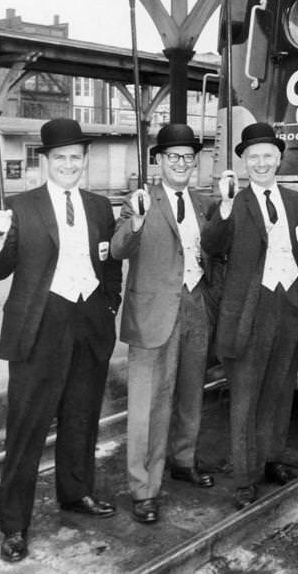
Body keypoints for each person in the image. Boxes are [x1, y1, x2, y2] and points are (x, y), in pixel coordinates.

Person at [0, 118, 122, 563]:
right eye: (59, 158)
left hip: (88, 321)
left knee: (82, 416)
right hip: (39, 327)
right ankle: (14, 525)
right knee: (27, 428)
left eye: (75, 158)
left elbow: (111, 263)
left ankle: (75, 493)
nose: (68, 165)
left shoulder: (100, 206)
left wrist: (109, 305)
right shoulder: (21, 207)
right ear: (45, 161)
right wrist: (0, 239)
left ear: (84, 161)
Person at [201, 122, 298, 508]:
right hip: (249, 310)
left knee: (281, 389)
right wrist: (226, 204)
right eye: (254, 157)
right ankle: (244, 478)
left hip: (290, 306)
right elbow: (213, 245)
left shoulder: (297, 201)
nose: (262, 163)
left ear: (280, 159)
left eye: (268, 156)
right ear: (243, 162)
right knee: (246, 396)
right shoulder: (233, 202)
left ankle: (272, 459)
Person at [111, 123, 220, 525]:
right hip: (154, 313)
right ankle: (143, 488)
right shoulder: (139, 201)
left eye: (188, 157)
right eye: (173, 156)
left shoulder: (204, 202)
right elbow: (118, 248)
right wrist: (136, 222)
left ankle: (183, 460)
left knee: (192, 391)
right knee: (149, 406)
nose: (181, 164)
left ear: (196, 163)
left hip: (195, 305)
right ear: (158, 161)